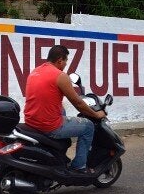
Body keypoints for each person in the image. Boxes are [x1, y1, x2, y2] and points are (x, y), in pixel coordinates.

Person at [24, 45, 106, 173]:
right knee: (89, 126)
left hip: (31, 121)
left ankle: (59, 154)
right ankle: (79, 166)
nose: (66, 64)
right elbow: (78, 103)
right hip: (48, 126)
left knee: (62, 110)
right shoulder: (60, 76)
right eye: (66, 60)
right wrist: (96, 115)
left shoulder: (35, 71)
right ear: (60, 60)